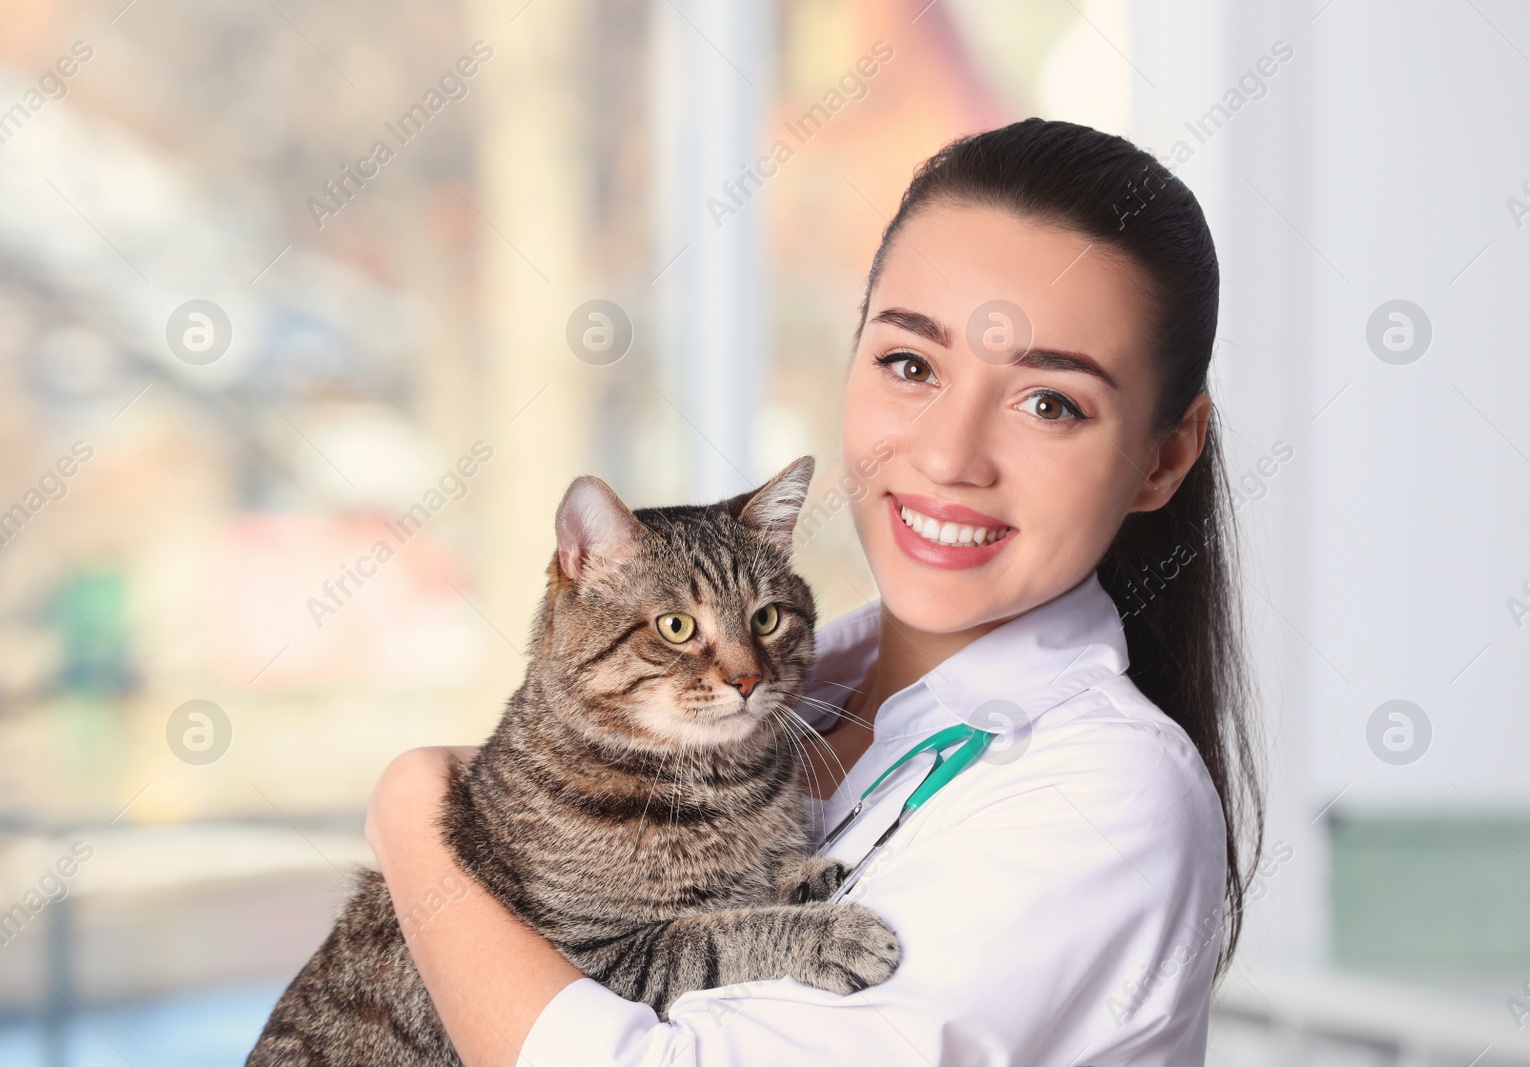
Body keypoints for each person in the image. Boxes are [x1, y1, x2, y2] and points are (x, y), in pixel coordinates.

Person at [364, 118, 1262, 1066]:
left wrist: (415, 821)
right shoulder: (807, 689)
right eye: (911, 364)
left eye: (1050, 403)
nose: (950, 456)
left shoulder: (1110, 795)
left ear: (1164, 457)